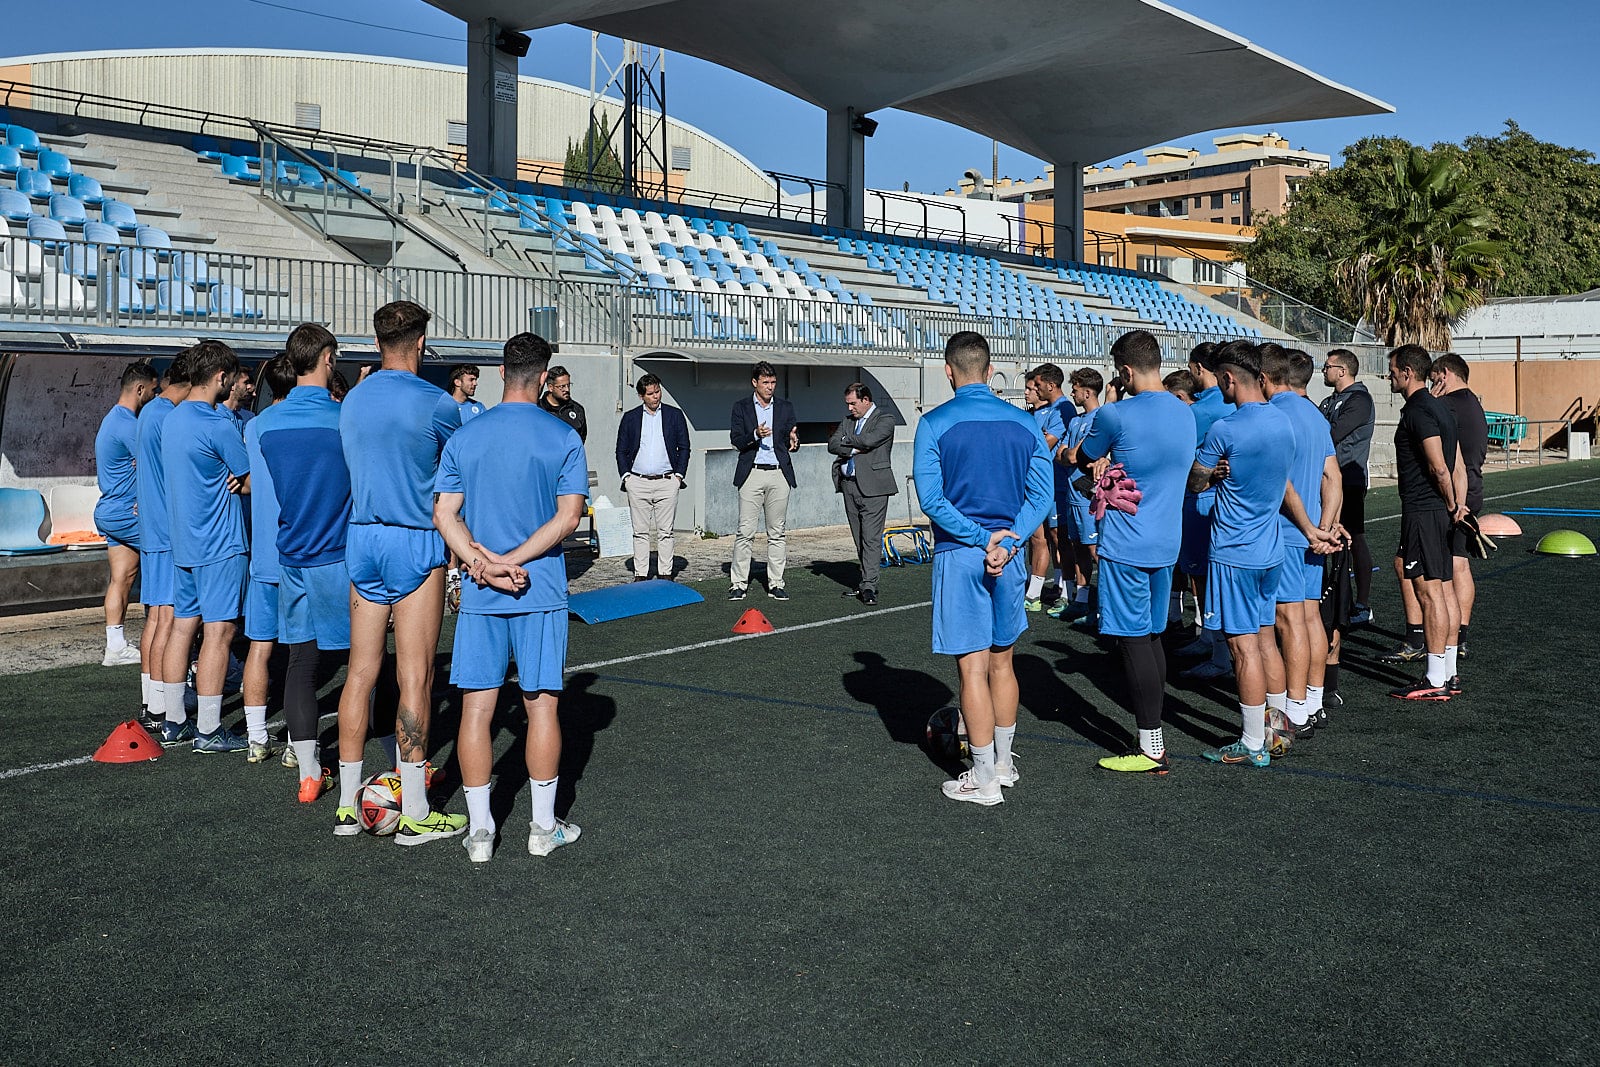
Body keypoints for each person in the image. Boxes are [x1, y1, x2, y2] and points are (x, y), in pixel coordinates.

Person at [436, 332, 588, 863]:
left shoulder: (466, 435)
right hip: (539, 589)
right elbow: (568, 519)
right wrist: (512, 563)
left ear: (503, 373)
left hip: (483, 591)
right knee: (541, 706)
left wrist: (484, 564)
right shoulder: (563, 435)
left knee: (476, 711)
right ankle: (542, 830)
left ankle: (481, 834)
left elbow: (444, 515)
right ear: (545, 378)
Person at [336, 301, 466, 844]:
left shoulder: (352, 400)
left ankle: (346, 807)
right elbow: (454, 484)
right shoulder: (438, 403)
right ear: (419, 342)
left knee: (360, 674)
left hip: (362, 537)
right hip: (413, 541)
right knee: (416, 676)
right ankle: (414, 810)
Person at [913, 331, 1052, 805]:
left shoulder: (934, 423)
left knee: (972, 669)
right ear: (991, 373)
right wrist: (1009, 539)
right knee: (1002, 662)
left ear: (948, 372)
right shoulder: (1025, 422)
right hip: (1009, 554)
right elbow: (1042, 497)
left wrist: (980, 538)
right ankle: (1004, 763)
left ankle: (986, 777)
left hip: (962, 553)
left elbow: (931, 499)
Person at [1189, 340, 1336, 768]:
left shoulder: (1226, 429)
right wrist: (1309, 527)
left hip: (1236, 552)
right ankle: (1275, 729)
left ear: (1231, 378)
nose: (1219, 387)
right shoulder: (1283, 423)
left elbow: (1195, 484)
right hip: (1272, 549)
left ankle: (1252, 741)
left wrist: (1213, 475)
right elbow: (1286, 484)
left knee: (1243, 649)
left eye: (1220, 380)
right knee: (1266, 639)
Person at [1075, 332, 1196, 775]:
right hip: (1167, 541)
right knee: (1151, 635)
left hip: (1127, 543)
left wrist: (1090, 460)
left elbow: (1081, 456)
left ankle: (1151, 746)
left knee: (1132, 639)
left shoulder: (1114, 413)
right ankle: (1154, 738)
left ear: (1125, 372)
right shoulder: (1186, 414)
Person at [256, 323, 354, 803]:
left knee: (300, 663)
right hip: (337, 555)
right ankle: (397, 769)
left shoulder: (264, 425)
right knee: (365, 665)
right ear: (329, 358)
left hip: (291, 552)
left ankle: (309, 774)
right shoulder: (343, 419)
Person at [161, 340, 253, 754]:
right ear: (220, 378)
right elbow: (251, 479)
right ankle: (210, 729)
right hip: (219, 543)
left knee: (183, 626)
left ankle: (174, 720)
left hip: (184, 542)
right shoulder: (218, 424)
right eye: (231, 377)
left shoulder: (172, 419)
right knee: (220, 632)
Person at [1260, 347, 1341, 751]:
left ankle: (1293, 709)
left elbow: (1279, 482)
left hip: (1288, 533)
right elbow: (1333, 477)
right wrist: (1325, 528)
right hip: (1311, 535)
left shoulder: (1277, 415)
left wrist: (1311, 529)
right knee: (1309, 619)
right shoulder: (1314, 414)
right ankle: (1312, 701)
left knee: (1289, 622)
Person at [1386, 344, 1465, 700]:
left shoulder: (1420, 410)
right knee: (1444, 589)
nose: (1389, 376)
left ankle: (1435, 680)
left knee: (1429, 593)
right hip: (1436, 511)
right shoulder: (1440, 408)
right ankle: (1448, 672)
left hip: (1424, 510)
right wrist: (1456, 506)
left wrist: (1451, 504)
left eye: (1392, 371)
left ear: (1406, 372)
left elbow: (1439, 466)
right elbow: (1456, 465)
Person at [238, 354, 295, 765]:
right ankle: (297, 742)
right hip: (298, 552)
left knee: (260, 647)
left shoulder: (255, 425)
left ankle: (257, 738)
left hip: (263, 554)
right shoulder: (306, 422)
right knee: (299, 653)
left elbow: (248, 480)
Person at [136, 350, 193, 740]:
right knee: (167, 620)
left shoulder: (149, 413)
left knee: (157, 617)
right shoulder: (168, 418)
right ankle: (160, 708)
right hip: (168, 532)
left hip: (153, 530)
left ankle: (152, 702)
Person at [94, 359, 158, 670]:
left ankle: (115, 645)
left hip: (110, 510)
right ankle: (176, 643)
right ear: (140, 389)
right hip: (125, 512)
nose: (155, 398)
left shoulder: (112, 419)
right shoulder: (128, 424)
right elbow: (158, 464)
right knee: (171, 557)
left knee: (123, 577)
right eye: (153, 391)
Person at [1177, 342, 1236, 679]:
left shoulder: (1200, 411)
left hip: (1202, 500)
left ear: (1200, 368)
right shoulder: (1226, 406)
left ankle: (1216, 646)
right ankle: (1209, 637)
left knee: (1203, 574)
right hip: (1223, 502)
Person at [1431, 353, 1488, 659]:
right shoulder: (1473, 403)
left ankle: (1448, 636)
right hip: (1471, 489)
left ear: (1445, 375)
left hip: (1456, 495)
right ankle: (1459, 633)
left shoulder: (1447, 405)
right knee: (1458, 560)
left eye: (1434, 377)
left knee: (1451, 566)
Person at [728, 360, 799, 601]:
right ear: (754, 383)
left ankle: (776, 583)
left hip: (779, 473)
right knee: (745, 531)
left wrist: (794, 440)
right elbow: (736, 440)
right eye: (766, 382)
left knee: (777, 532)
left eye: (773, 382)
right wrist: (755, 434)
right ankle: (739, 583)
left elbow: (792, 437)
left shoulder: (786, 408)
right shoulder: (741, 407)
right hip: (752, 473)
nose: (770, 387)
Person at [1319, 349, 1377, 628]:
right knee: (1332, 538)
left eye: (1327, 366)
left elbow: (1330, 434)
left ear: (1342, 371)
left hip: (1349, 481)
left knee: (1354, 539)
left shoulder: (1359, 400)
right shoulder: (1332, 400)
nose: (1323, 371)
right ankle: (1338, 600)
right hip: (1330, 480)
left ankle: (1362, 605)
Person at [828, 381, 898, 606]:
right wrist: (853, 446)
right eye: (847, 404)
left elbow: (870, 440)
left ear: (866, 400)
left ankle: (869, 585)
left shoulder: (885, 419)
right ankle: (865, 579)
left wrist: (846, 443)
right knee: (859, 537)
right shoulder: (847, 422)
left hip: (875, 488)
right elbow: (832, 444)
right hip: (849, 485)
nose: (850, 408)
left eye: (853, 403)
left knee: (871, 537)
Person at [615, 372, 690, 581]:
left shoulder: (674, 415)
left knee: (666, 531)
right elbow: (620, 450)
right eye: (650, 394)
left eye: (657, 391)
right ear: (641, 396)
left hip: (667, 481)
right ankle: (641, 574)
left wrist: (678, 476)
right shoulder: (630, 418)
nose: (656, 397)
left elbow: (684, 447)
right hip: (637, 481)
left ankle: (666, 573)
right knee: (640, 532)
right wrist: (626, 478)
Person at [1047, 367, 1104, 621]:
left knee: (1094, 550)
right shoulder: (1075, 421)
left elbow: (1077, 455)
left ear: (1088, 391)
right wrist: (1071, 454)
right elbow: (1062, 455)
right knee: (1077, 547)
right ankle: (1082, 601)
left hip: (1089, 497)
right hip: (1073, 495)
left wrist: (1072, 454)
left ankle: (1106, 605)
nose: (1073, 393)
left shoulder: (1101, 419)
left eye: (1076, 388)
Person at [1022, 370, 1066, 612]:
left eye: (1034, 387)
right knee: (1037, 538)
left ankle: (1056, 589)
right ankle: (1037, 587)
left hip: (1052, 483)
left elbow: (1042, 444)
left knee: (1057, 538)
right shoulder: (1032, 414)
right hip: (1035, 483)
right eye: (1030, 388)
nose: (1030, 392)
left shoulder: (1061, 409)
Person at [539, 364, 588, 441]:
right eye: (562, 386)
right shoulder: (538, 409)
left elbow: (581, 439)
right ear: (550, 387)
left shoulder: (577, 410)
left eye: (568, 385)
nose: (567, 390)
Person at [221, 365, 256, 434]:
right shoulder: (217, 416)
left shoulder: (239, 418)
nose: (249, 387)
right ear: (232, 385)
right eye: (245, 382)